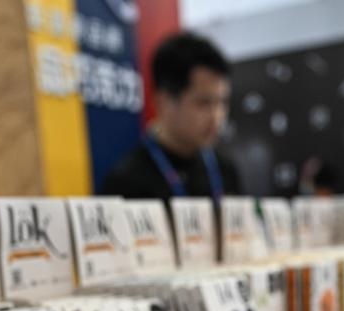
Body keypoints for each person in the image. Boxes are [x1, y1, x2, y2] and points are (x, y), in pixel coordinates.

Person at [101, 32, 241, 203]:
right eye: (203, 103)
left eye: (222, 102)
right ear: (164, 102)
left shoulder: (226, 171)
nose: (217, 116)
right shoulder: (127, 181)